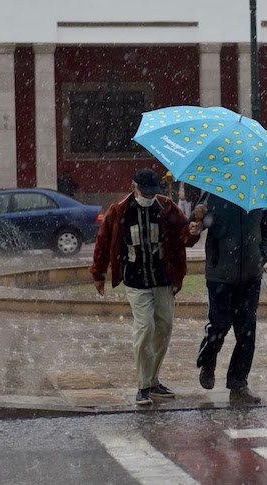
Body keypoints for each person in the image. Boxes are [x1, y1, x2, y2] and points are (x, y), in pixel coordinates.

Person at [90, 168, 199, 405]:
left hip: (163, 279)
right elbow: (104, 241)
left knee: (164, 327)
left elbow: (184, 235)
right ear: (134, 188)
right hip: (136, 280)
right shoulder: (119, 211)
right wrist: (98, 273)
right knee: (145, 327)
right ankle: (143, 386)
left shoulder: (167, 207)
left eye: (152, 193)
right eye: (145, 192)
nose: (149, 197)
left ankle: (153, 380)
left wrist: (192, 232)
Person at [189, 192, 267, 405]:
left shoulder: (260, 195)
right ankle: (208, 360)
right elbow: (197, 220)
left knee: (247, 332)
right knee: (220, 324)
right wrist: (196, 225)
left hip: (250, 276)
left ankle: (238, 384)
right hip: (220, 274)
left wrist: (261, 256)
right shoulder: (216, 190)